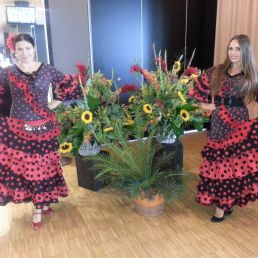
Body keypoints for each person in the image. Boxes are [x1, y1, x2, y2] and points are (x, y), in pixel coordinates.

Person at [0, 33, 82, 230]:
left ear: (34, 48)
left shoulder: (47, 70)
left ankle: (41, 205)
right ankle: (39, 206)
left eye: (28, 48)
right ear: (14, 51)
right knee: (28, 169)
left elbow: (68, 88)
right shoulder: (7, 72)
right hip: (17, 128)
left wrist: (52, 105)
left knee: (44, 167)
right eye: (19, 49)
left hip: (44, 127)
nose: (24, 52)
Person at [188, 34, 258, 222]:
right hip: (218, 121)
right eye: (231, 49)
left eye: (238, 49)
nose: (233, 53)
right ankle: (223, 202)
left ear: (245, 52)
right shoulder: (217, 71)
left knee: (231, 165)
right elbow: (194, 92)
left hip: (238, 123)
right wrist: (205, 107)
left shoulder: (251, 76)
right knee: (218, 163)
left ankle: (222, 206)